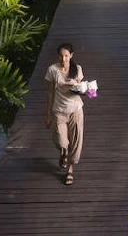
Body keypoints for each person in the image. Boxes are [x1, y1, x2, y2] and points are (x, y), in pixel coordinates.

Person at [45, 43, 84, 185]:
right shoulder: (52, 70)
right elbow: (50, 93)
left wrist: (85, 89)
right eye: (61, 56)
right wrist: (48, 115)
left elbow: (80, 88)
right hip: (59, 111)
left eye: (66, 55)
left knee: (75, 141)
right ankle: (64, 152)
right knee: (61, 140)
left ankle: (70, 170)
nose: (64, 58)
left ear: (71, 55)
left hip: (76, 109)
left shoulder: (77, 69)